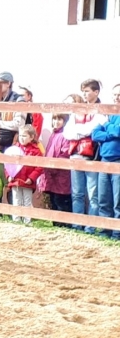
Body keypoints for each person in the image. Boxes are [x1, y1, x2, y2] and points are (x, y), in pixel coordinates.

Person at [63, 78, 106, 233]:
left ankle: (90, 227)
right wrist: (80, 131)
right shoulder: (78, 110)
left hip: (92, 156)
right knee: (77, 193)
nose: (84, 94)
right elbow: (67, 133)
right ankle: (77, 224)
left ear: (96, 92)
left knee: (93, 194)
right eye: (83, 91)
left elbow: (92, 128)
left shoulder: (102, 110)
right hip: (75, 155)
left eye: (87, 91)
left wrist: (78, 131)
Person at [91, 83, 120, 239]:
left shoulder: (107, 118)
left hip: (118, 161)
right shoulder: (108, 112)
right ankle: (104, 231)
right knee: (104, 199)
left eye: (119, 95)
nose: (117, 97)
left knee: (118, 200)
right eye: (115, 94)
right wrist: (110, 133)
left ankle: (117, 233)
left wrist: (106, 125)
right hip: (104, 160)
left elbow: (118, 130)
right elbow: (95, 134)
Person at [6, 125, 43, 224]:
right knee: (16, 200)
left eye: (24, 136)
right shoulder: (14, 149)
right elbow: (8, 164)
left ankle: (27, 221)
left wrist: (31, 178)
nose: (22, 138)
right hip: (15, 181)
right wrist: (9, 176)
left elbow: (39, 167)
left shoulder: (36, 151)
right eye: (20, 136)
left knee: (27, 201)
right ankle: (16, 220)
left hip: (27, 181)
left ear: (31, 137)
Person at [43, 113, 73, 227]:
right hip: (51, 175)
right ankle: (56, 225)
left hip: (61, 175)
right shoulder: (53, 134)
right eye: (54, 119)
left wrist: (52, 168)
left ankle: (64, 226)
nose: (56, 122)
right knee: (53, 201)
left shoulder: (65, 135)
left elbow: (64, 154)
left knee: (61, 202)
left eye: (59, 119)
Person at [0, 71, 26, 152]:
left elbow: (19, 124)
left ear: (8, 84)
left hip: (12, 144)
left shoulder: (19, 100)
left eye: (0, 83)